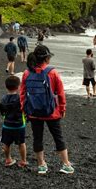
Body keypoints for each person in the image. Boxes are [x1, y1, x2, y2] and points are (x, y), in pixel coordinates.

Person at [20, 45, 74, 175]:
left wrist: (24, 109)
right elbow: (60, 93)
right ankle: (66, 164)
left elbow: (22, 93)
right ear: (47, 58)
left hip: (33, 112)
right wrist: (62, 108)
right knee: (58, 137)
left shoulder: (27, 73)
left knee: (37, 138)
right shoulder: (53, 72)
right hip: (52, 112)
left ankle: (41, 165)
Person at [0, 76, 27, 168]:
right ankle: (23, 161)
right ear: (18, 86)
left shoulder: (3, 98)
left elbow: (2, 112)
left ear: (6, 87)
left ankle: (8, 159)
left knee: (6, 143)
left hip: (7, 124)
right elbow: (24, 110)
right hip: (19, 125)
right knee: (21, 143)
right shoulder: (20, 98)